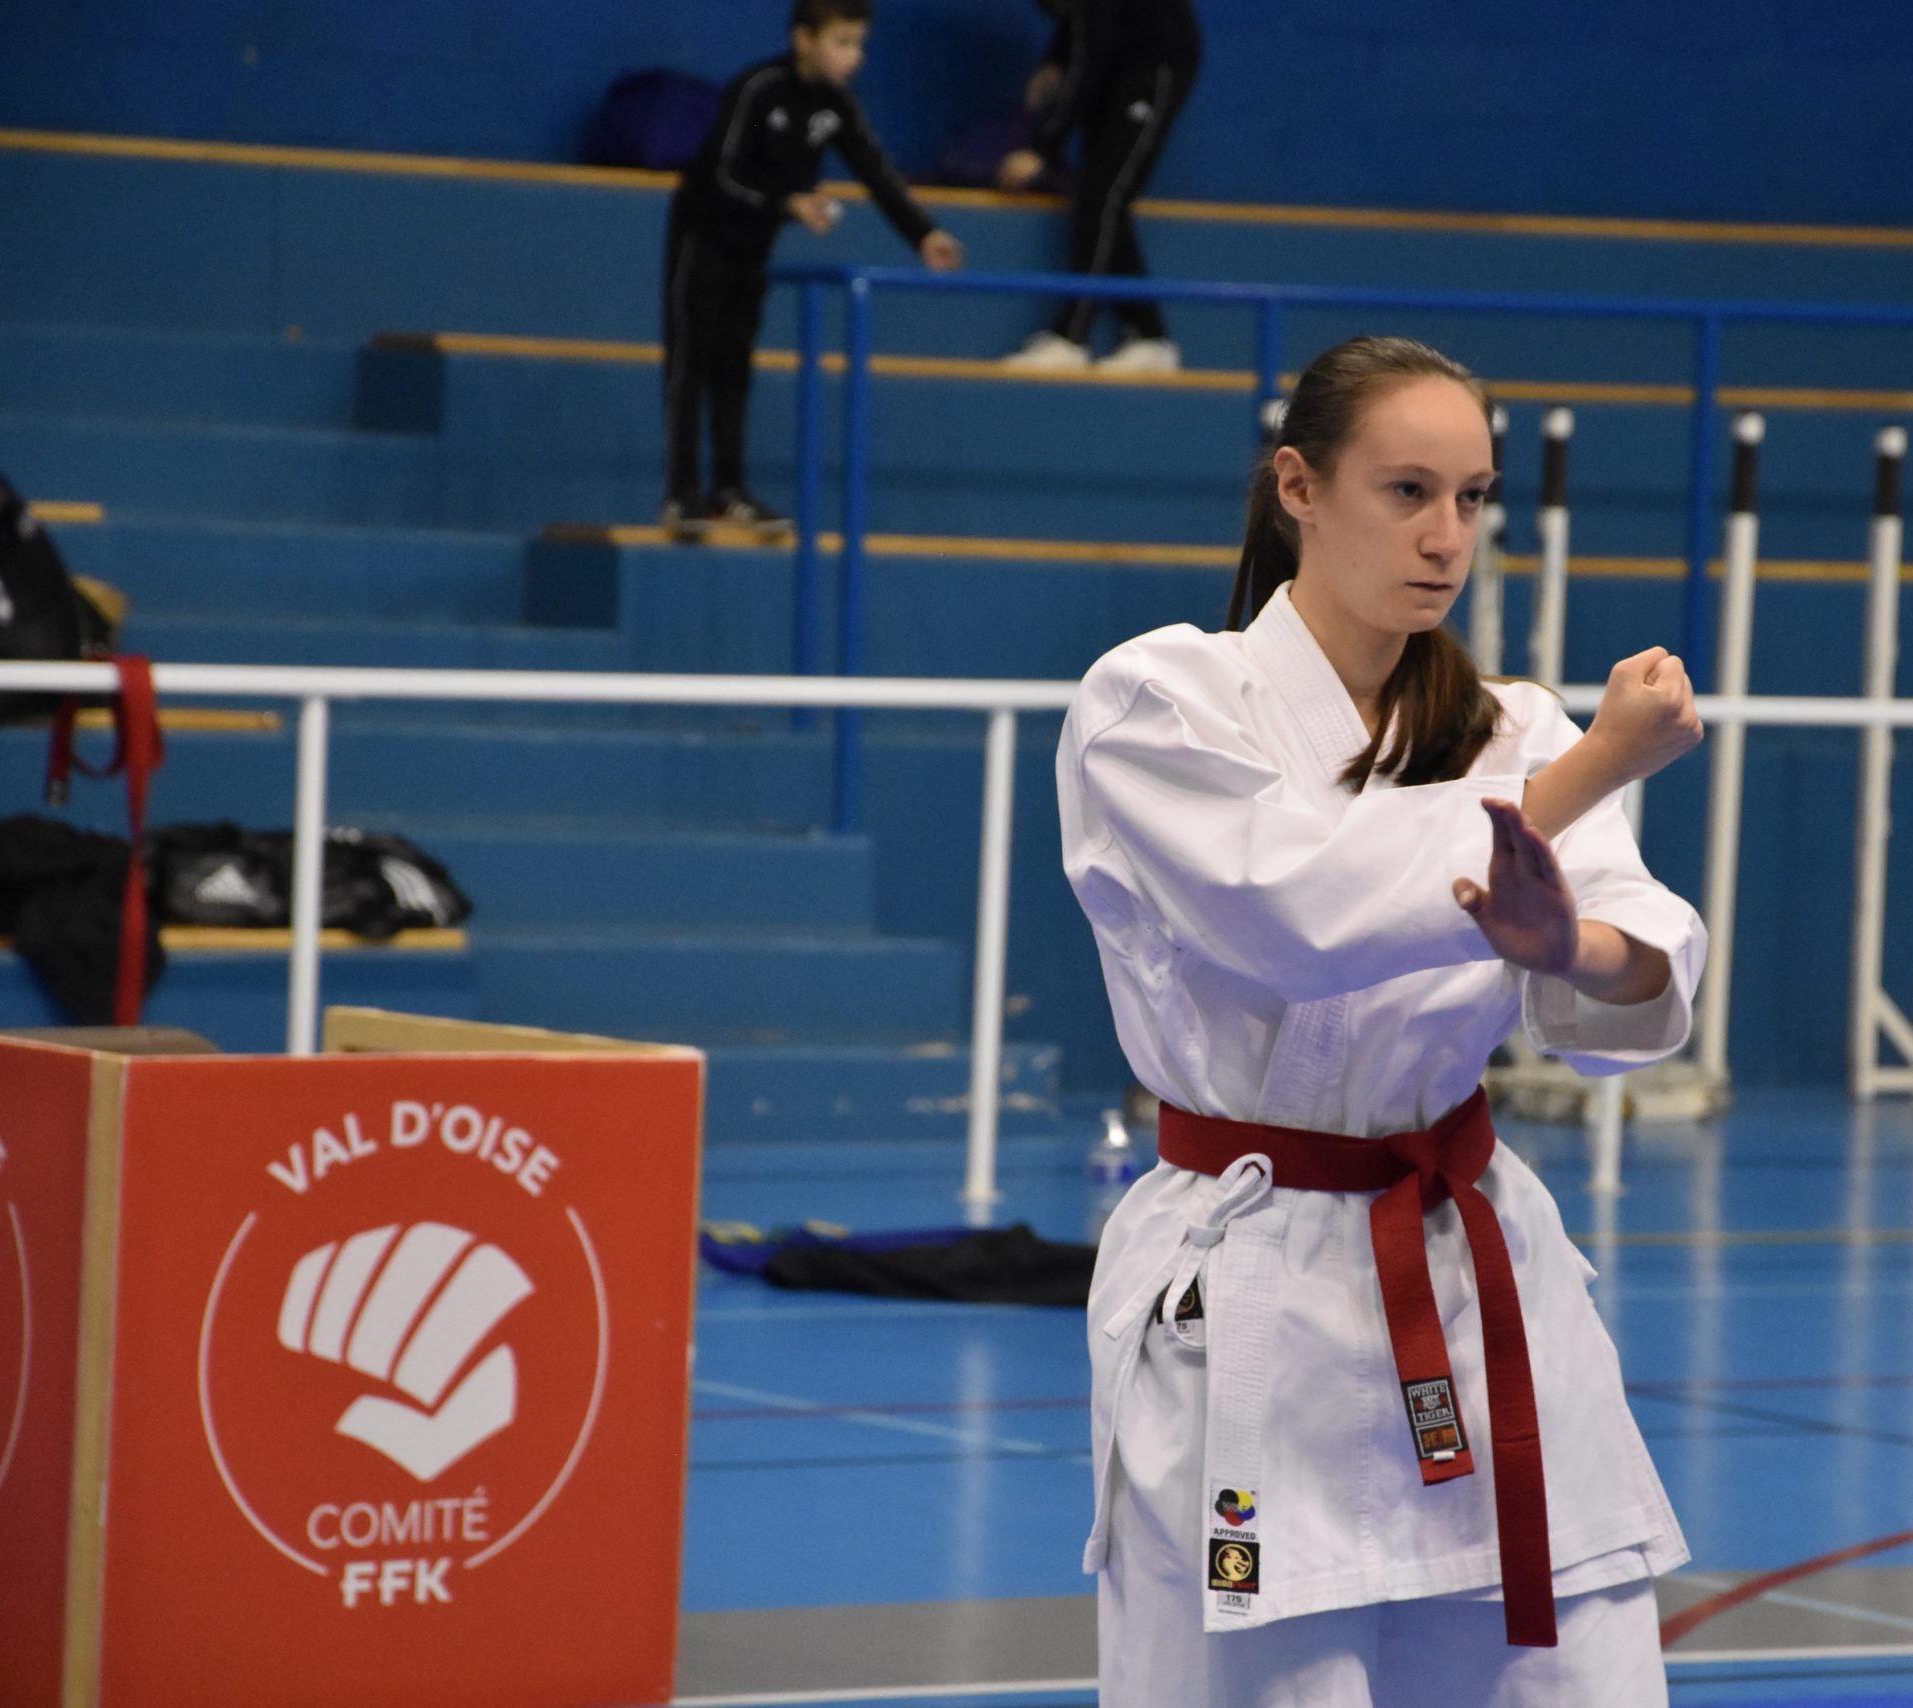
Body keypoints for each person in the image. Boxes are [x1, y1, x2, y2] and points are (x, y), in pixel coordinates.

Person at [1056, 334, 1707, 1706]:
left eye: (1472, 498)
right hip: (1252, 1292)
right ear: (1298, 485)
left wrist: (1566, 946)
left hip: (1479, 1281)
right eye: (1407, 491)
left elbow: (1634, 969)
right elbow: (1297, 910)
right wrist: (1595, 765)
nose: (1445, 535)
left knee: (1575, 1675)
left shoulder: (1512, 727)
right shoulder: (1160, 699)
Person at [662, 0, 965, 532]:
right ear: (804, 39)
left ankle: (729, 491)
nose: (855, 56)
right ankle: (681, 492)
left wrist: (924, 233)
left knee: (735, 364)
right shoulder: (758, 88)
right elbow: (718, 176)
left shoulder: (837, 104)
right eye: (842, 42)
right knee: (693, 361)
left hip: (752, 247)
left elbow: (875, 169)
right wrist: (786, 205)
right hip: (702, 235)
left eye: (859, 44)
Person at [995, 0, 1200, 374]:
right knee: (1100, 199)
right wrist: (1056, 57)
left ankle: (1072, 338)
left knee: (1102, 196)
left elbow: (1089, 59)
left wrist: (1043, 149)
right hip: (1119, 61)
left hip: (1154, 63)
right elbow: (1081, 26)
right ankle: (1150, 336)